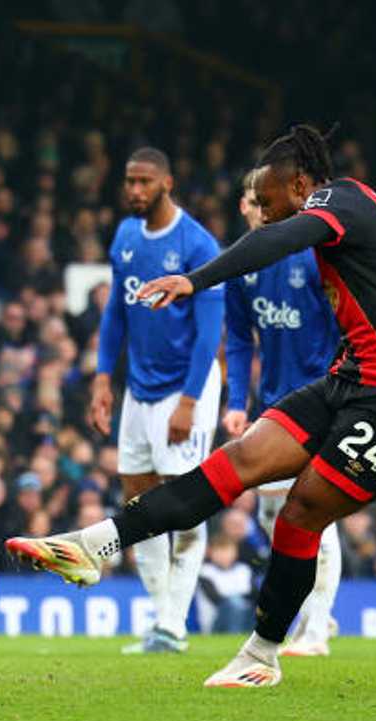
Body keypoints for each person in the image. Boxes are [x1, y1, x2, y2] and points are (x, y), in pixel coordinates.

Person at [7, 125, 376, 688]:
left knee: (301, 511)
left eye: (269, 203)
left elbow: (275, 241)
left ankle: (263, 654)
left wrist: (197, 280)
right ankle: (93, 546)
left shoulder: (336, 199)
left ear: (299, 185)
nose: (265, 216)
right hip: (356, 379)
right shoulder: (344, 215)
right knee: (239, 459)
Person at [89, 147, 223, 654]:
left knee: (186, 509)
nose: (135, 191)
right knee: (139, 504)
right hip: (139, 389)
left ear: (168, 182)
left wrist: (189, 401)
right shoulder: (125, 236)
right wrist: (104, 377)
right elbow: (115, 317)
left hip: (183, 388)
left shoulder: (197, 245)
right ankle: (163, 621)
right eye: (130, 181)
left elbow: (209, 333)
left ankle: (173, 625)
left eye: (145, 182)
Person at [222, 170, 342, 657]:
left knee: (315, 510)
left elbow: (342, 321)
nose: (261, 209)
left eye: (266, 201)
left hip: (321, 398)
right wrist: (235, 403)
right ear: (244, 206)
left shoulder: (310, 256)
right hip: (273, 407)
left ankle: (314, 631)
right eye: (254, 202)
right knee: (275, 516)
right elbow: (236, 338)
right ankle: (319, 616)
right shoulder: (241, 265)